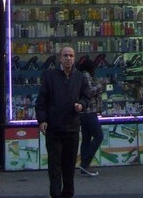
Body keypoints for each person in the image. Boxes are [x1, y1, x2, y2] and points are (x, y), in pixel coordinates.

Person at [35, 45, 91, 198]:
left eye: (71, 56)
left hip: (72, 128)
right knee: (54, 165)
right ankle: (55, 194)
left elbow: (86, 97)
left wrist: (82, 105)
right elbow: (41, 101)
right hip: (54, 129)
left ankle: (68, 193)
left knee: (69, 165)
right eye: (65, 55)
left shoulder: (80, 77)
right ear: (60, 58)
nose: (68, 58)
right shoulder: (50, 76)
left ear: (74, 58)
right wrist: (42, 120)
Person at [77, 57, 104, 177]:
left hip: (84, 112)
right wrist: (100, 86)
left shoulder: (81, 75)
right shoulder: (86, 75)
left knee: (86, 139)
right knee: (99, 136)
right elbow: (89, 91)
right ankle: (85, 163)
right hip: (89, 111)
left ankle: (84, 166)